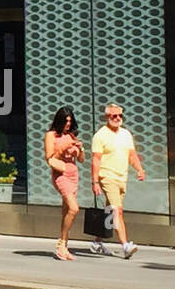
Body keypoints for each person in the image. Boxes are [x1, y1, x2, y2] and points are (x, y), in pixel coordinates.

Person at [91, 103, 145, 259]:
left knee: (109, 211)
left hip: (122, 177)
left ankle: (97, 242)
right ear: (107, 117)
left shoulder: (126, 134)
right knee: (117, 210)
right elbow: (96, 160)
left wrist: (139, 169)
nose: (117, 118)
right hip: (107, 177)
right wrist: (95, 181)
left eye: (120, 115)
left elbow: (132, 155)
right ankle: (125, 244)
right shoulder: (100, 135)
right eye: (114, 115)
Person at [44, 106, 83, 260]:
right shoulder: (51, 135)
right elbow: (49, 157)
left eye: (70, 121)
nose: (68, 124)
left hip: (73, 173)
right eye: (65, 121)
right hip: (61, 174)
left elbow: (81, 159)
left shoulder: (71, 135)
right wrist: (63, 148)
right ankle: (61, 243)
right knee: (74, 209)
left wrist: (79, 150)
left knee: (66, 211)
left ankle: (64, 246)